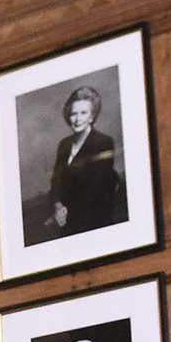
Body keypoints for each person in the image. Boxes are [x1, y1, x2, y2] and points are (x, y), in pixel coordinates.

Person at [46, 86, 126, 237]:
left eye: (83, 113)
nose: (77, 119)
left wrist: (65, 210)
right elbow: (55, 181)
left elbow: (96, 190)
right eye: (73, 114)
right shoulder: (64, 145)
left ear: (92, 116)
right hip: (66, 223)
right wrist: (57, 206)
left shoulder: (104, 142)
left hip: (94, 222)